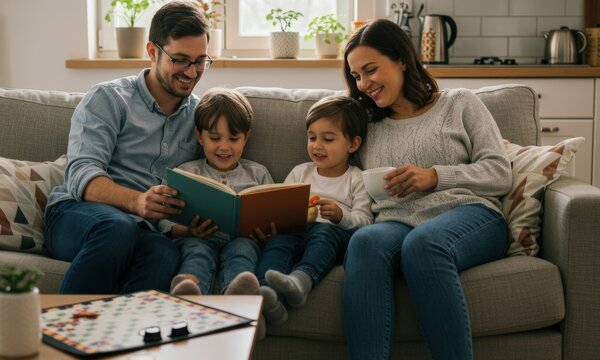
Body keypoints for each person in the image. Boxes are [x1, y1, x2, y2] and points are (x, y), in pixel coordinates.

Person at [342, 19, 512, 360]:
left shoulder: (459, 103)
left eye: (371, 70)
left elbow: (499, 172)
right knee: (364, 242)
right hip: (395, 219)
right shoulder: (365, 124)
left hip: (470, 214)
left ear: (402, 59)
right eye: (356, 76)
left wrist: (434, 176)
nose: (364, 84)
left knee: (424, 244)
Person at [43, 1, 211, 294]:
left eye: (200, 61)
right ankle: (60, 334)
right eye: (181, 59)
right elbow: (81, 172)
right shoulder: (108, 99)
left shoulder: (200, 116)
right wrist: (136, 202)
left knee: (164, 253)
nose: (192, 72)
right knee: (118, 227)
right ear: (152, 52)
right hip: (78, 215)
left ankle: (120, 339)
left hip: (143, 230)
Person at [255, 95, 373, 325]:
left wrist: (340, 216)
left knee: (323, 233)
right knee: (278, 243)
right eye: (311, 138)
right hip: (297, 229)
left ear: (353, 144)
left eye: (328, 139)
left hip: (333, 234)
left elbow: (365, 221)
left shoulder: (356, 178)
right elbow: (279, 205)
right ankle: (267, 295)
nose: (317, 145)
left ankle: (302, 280)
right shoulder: (301, 172)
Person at [161, 87, 274, 297]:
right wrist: (187, 231)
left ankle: (239, 299)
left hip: (243, 239)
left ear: (246, 137)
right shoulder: (187, 173)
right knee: (197, 252)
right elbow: (165, 219)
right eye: (215, 138)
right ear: (200, 136)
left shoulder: (258, 174)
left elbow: (273, 214)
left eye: (233, 139)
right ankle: (187, 294)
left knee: (243, 251)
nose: (224, 147)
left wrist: (266, 234)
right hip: (197, 238)